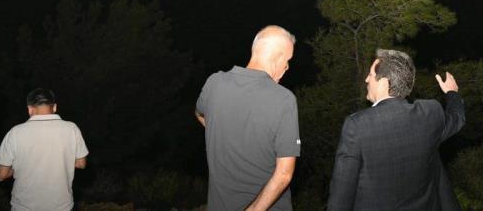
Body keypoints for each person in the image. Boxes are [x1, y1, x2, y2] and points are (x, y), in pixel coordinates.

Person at [328, 49, 465, 210]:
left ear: (384, 82)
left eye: (370, 75)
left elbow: (341, 199)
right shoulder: (430, 113)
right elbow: (457, 118)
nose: (366, 79)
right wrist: (452, 93)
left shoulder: (357, 126)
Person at [195, 25, 301, 210]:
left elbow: (200, 114)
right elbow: (284, 174)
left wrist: (225, 133)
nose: (287, 67)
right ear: (278, 57)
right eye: (288, 60)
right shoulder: (284, 99)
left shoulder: (214, 83)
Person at [0, 88, 89, 211]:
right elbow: (81, 163)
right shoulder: (71, 129)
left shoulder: (15, 132)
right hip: (61, 207)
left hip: (24, 207)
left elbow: (0, 175)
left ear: (29, 109)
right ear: (54, 107)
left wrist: (18, 167)